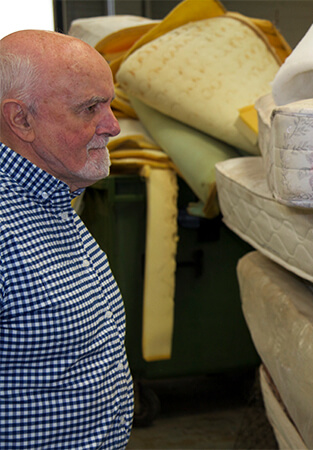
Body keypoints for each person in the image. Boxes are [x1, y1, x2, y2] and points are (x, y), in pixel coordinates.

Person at [0, 30, 134, 449]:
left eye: (109, 103)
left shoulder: (51, 199)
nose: (113, 126)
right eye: (90, 108)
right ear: (21, 120)